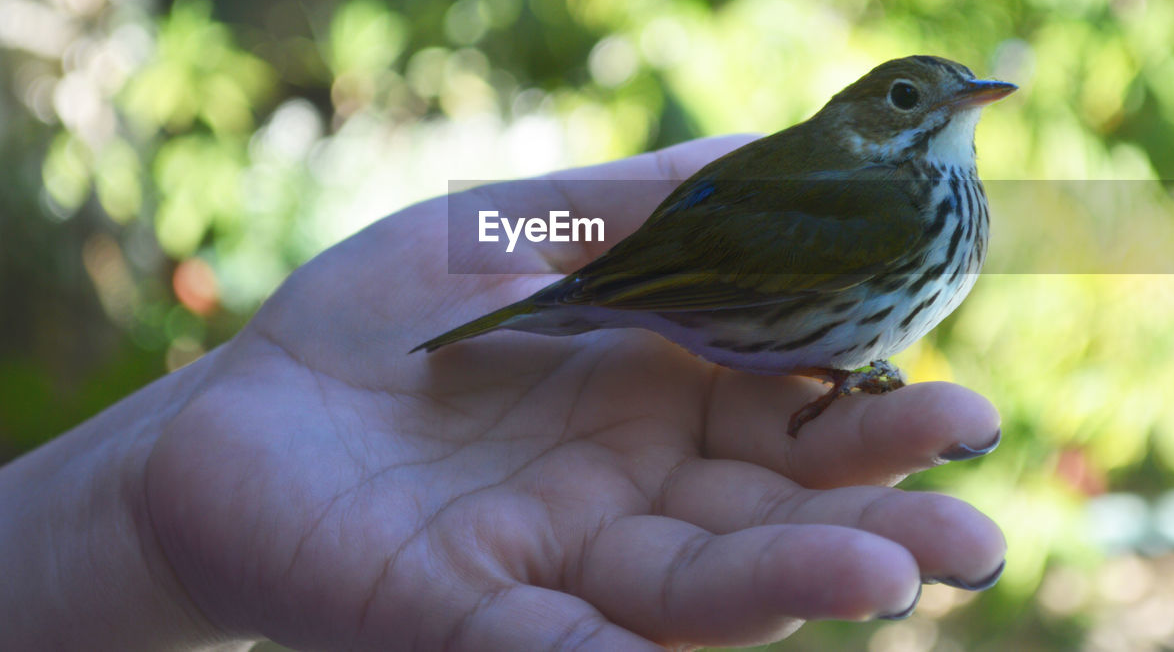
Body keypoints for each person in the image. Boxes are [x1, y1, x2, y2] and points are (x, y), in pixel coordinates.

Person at [0, 136, 1005, 651]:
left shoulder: (900, 200)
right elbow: (688, 262)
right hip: (670, 308)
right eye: (915, 96)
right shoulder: (869, 199)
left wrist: (144, 529)